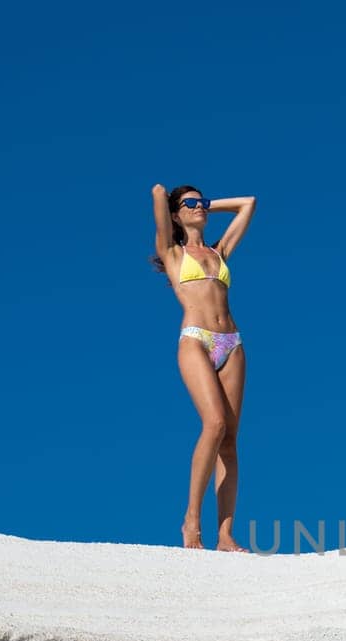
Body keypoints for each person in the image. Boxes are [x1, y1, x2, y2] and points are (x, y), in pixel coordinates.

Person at [151, 183, 257, 550]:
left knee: (230, 441)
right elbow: (158, 199)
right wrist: (164, 197)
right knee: (213, 424)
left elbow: (248, 204)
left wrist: (210, 203)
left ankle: (225, 535)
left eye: (202, 202)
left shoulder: (220, 251)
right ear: (176, 214)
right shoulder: (173, 252)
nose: (199, 207)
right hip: (196, 340)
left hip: (233, 343)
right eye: (190, 204)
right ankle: (191, 522)